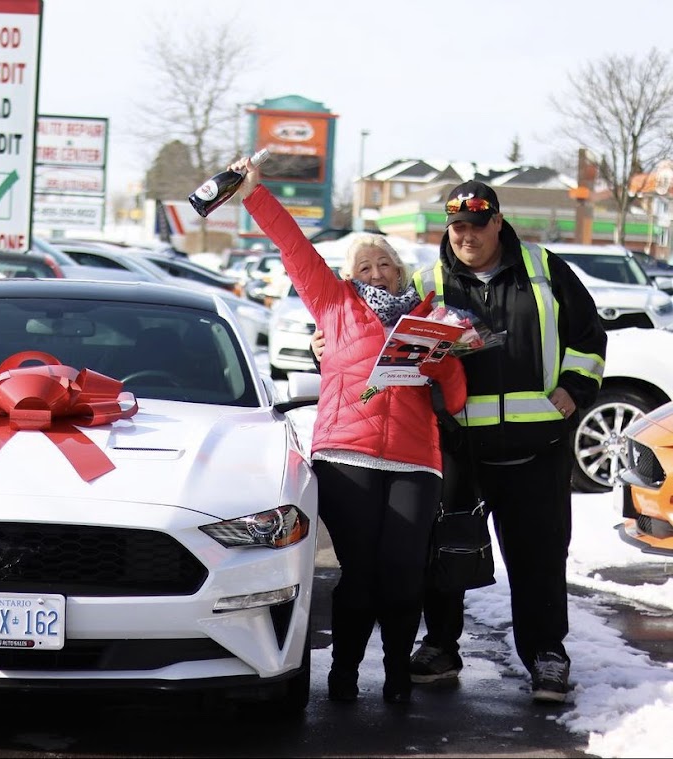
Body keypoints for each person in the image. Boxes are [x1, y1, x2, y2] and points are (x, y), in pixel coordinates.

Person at [312, 180, 607, 703]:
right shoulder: (425, 283)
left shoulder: (544, 269)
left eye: (476, 225)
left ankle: (546, 656)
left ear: (498, 222)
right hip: (455, 446)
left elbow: (589, 335)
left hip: (534, 446)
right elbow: (369, 339)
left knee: (538, 556)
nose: (466, 236)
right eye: (457, 227)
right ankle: (441, 648)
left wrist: (574, 387)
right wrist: (321, 345)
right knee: (441, 553)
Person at [231, 155, 467, 705]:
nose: (376, 272)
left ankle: (398, 676)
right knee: (360, 574)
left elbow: (454, 399)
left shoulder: (432, 318)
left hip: (416, 461)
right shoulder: (334, 305)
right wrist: (254, 195)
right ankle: (343, 673)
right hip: (347, 457)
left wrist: (443, 359)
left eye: (385, 264)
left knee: (404, 574)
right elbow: (295, 248)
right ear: (348, 275)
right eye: (365, 266)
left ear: (402, 272)